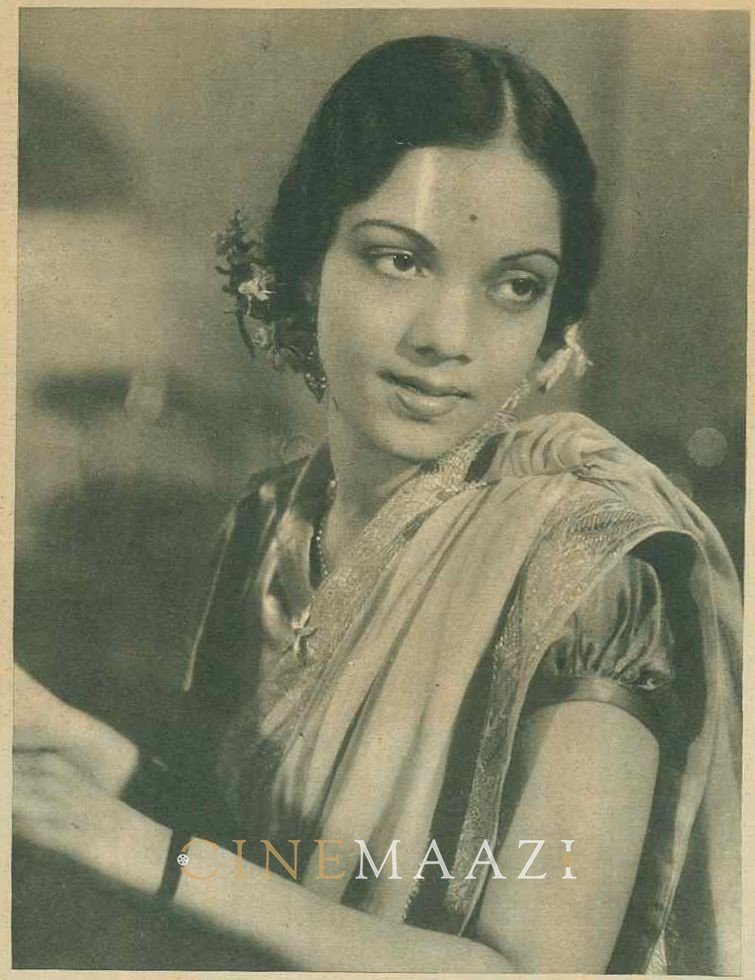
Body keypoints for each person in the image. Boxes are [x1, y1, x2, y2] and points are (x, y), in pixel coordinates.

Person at [13, 35, 741, 974]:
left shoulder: (587, 569)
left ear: (552, 328)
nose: (447, 336)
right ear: (304, 265)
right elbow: (273, 869)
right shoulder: (271, 520)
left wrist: (141, 850)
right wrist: (87, 752)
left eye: (515, 286)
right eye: (399, 261)